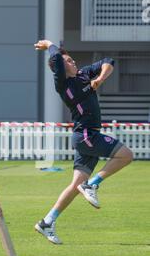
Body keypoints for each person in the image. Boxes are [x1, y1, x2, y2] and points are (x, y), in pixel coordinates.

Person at [34, 40, 133, 244]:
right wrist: (51, 45)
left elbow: (108, 61)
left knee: (74, 186)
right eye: (69, 61)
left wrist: (100, 79)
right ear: (61, 67)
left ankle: (46, 222)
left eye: (72, 59)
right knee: (126, 155)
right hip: (87, 135)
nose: (74, 62)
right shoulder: (62, 83)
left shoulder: (84, 75)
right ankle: (93, 184)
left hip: (86, 137)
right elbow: (55, 59)